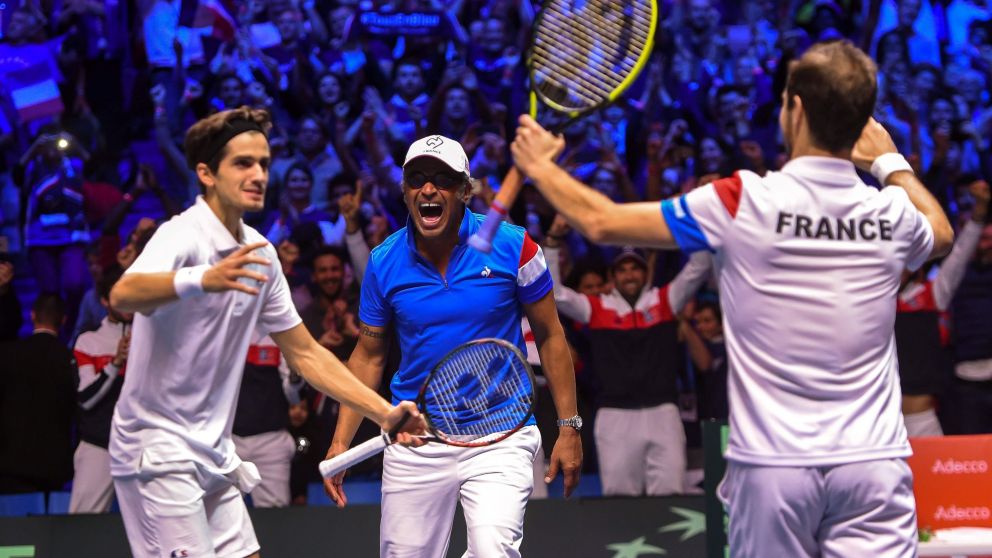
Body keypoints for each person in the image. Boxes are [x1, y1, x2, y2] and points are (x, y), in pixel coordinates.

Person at [512, 40, 954, 557]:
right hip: (873, 462)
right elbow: (941, 232)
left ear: (796, 111)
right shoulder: (891, 213)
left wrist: (540, 166)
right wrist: (889, 162)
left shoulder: (741, 200)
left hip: (773, 468)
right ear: (861, 123)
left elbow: (601, 222)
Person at [107, 107, 424, 558]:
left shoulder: (260, 253)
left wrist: (385, 413)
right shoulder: (182, 236)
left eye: (263, 163)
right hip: (156, 452)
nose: (258, 174)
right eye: (243, 163)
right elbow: (124, 293)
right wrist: (203, 279)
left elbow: (306, 354)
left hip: (212, 451)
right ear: (206, 173)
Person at [324, 134, 582, 557]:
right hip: (415, 438)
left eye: (443, 179)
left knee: (494, 550)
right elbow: (369, 356)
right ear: (405, 191)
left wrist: (569, 427)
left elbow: (552, 335)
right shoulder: (383, 261)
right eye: (417, 179)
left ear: (465, 190)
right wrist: (341, 442)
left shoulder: (515, 246)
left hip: (502, 433)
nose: (429, 189)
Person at [545, 225, 712, 496]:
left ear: (646, 273)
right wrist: (553, 242)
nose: (629, 274)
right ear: (613, 276)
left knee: (671, 495)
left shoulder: (666, 300)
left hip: (663, 412)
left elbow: (700, 266)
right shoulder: (597, 308)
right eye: (622, 270)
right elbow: (555, 292)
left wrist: (694, 223)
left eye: (635, 268)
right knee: (619, 498)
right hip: (615, 415)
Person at [69, 268, 132, 513]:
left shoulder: (155, 339)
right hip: (98, 445)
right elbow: (85, 399)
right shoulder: (89, 341)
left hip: (145, 446)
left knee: (162, 525)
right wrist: (115, 363)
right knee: (82, 524)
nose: (127, 301)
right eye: (119, 295)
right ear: (105, 301)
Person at [0, 294, 76, 495]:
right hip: (54, 465)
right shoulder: (69, 359)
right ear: (63, 320)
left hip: (10, 462)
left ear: (32, 315)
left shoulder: (7, 354)